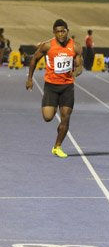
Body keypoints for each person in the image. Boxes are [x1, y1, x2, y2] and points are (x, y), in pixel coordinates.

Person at [25, 19, 83, 158]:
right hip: (51, 87)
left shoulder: (75, 47)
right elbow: (34, 59)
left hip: (67, 87)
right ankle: (59, 123)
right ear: (54, 33)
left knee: (65, 118)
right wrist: (29, 78)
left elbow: (80, 66)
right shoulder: (47, 46)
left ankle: (57, 146)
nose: (61, 34)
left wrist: (74, 73)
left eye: (63, 31)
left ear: (67, 31)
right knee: (48, 117)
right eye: (58, 32)